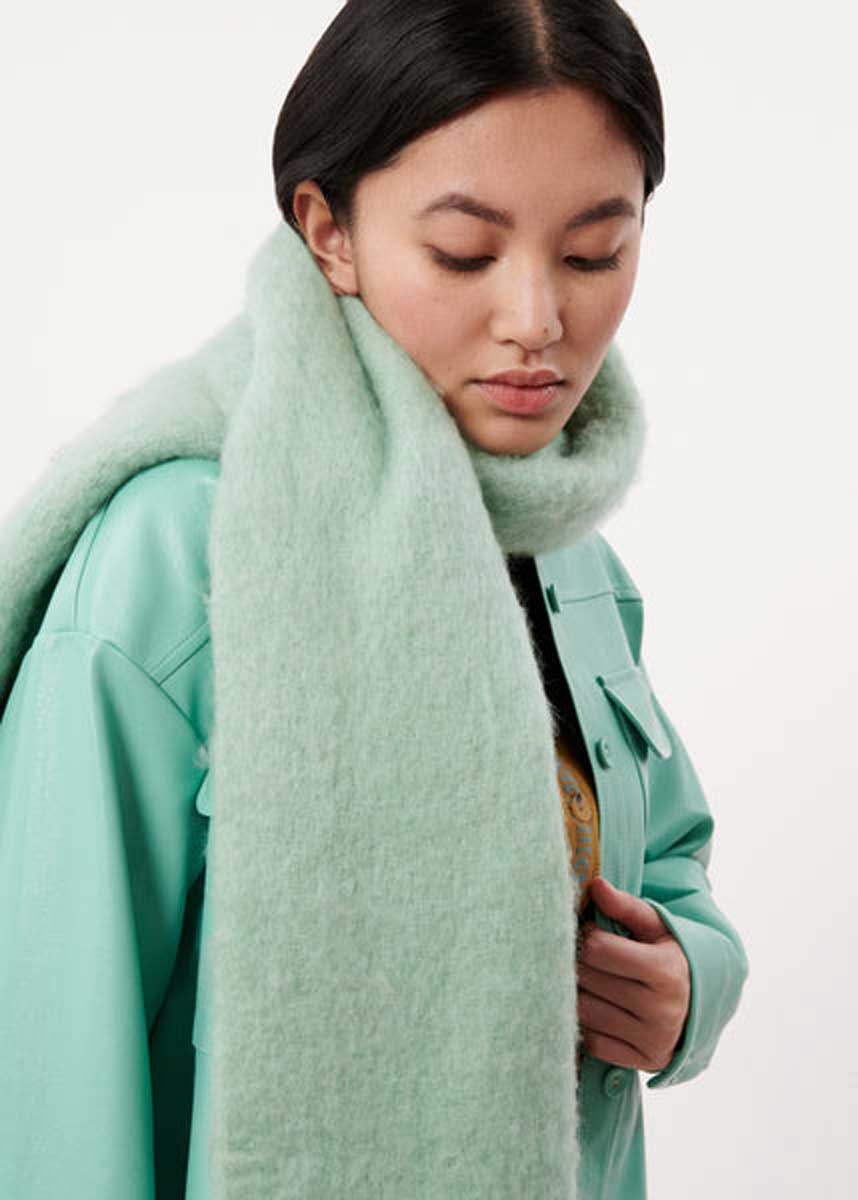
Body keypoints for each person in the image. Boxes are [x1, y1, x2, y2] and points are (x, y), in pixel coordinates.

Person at [0, 2, 749, 1197]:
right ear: (327, 231)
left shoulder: (572, 561)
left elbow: (663, 860)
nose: (537, 321)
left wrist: (691, 985)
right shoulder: (182, 557)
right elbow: (49, 1063)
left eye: (593, 254)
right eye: (464, 253)